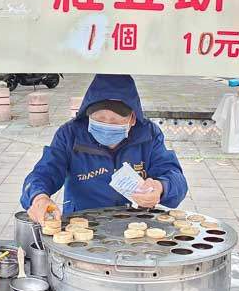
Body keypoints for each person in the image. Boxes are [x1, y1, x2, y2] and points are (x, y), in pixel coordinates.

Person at [20, 74, 188, 222]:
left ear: (132, 118)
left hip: (138, 224)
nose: (106, 125)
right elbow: (44, 172)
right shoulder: (70, 134)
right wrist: (38, 197)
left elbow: (175, 177)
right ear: (87, 114)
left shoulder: (148, 135)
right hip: (83, 224)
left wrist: (161, 187)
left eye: (115, 121)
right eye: (99, 119)